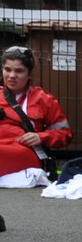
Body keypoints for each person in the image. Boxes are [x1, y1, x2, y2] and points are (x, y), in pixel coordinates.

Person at [0, 45, 71, 177]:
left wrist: (41, 137)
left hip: (23, 154)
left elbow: (65, 134)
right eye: (7, 69)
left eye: (19, 71)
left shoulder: (43, 99)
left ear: (30, 74)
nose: (11, 76)